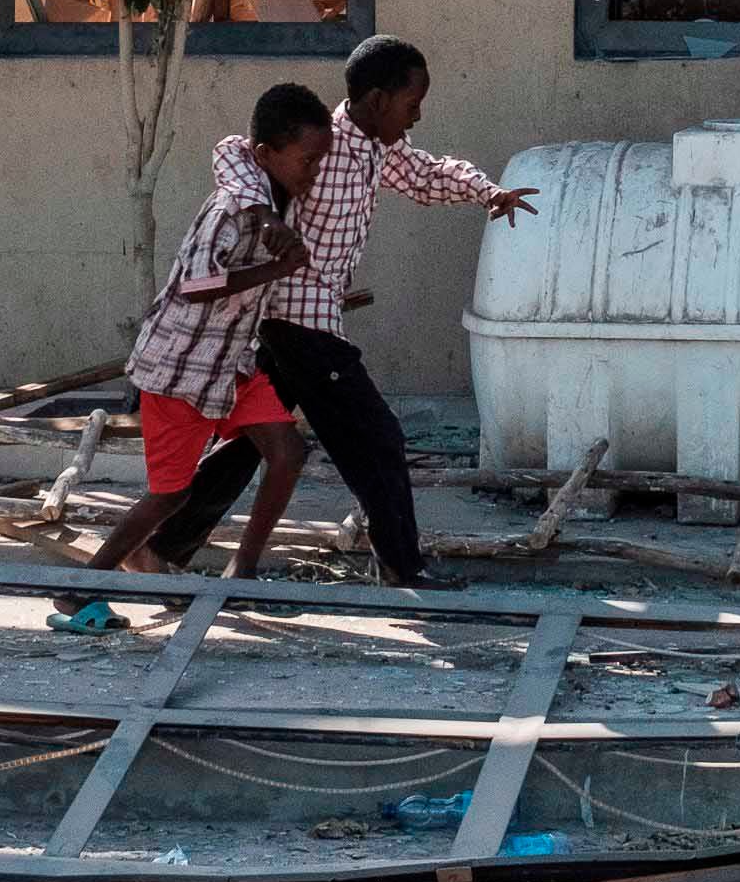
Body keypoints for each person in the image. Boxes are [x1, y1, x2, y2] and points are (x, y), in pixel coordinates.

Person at [147, 34, 534, 586]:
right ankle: (401, 566)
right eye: (411, 103)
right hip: (298, 324)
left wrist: (486, 191)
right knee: (377, 438)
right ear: (377, 100)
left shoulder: (379, 147)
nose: (417, 116)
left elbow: (426, 174)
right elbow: (234, 151)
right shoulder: (323, 145)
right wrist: (263, 215)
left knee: (250, 446)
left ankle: (162, 546)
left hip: (299, 321)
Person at [79, 81, 329, 600]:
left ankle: (243, 572)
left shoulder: (269, 198)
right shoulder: (229, 215)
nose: (314, 173)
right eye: (307, 161)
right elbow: (195, 287)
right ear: (268, 156)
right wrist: (274, 270)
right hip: (180, 372)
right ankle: (82, 586)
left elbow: (230, 148)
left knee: (287, 452)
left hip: (232, 369)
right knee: (169, 496)